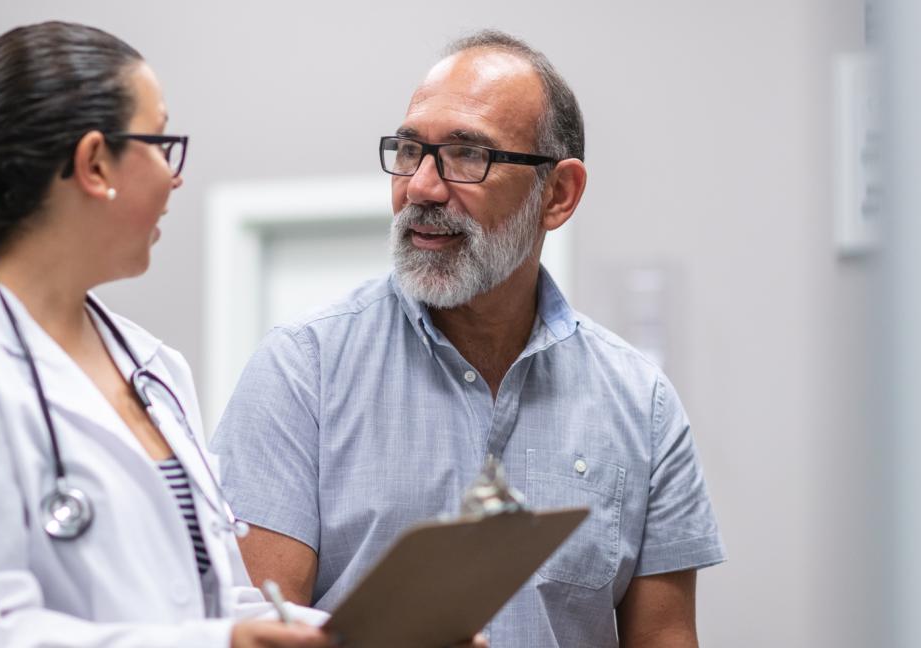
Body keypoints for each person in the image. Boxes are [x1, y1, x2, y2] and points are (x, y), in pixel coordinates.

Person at [0, 21, 333, 648]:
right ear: (94, 163)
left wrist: (371, 634)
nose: (176, 177)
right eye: (160, 141)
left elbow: (215, 597)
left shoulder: (151, 367)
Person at [210, 30, 726, 648]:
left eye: (467, 155)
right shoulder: (302, 371)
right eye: (408, 150)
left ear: (557, 194)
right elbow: (257, 633)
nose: (422, 187)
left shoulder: (643, 406)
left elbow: (666, 637)